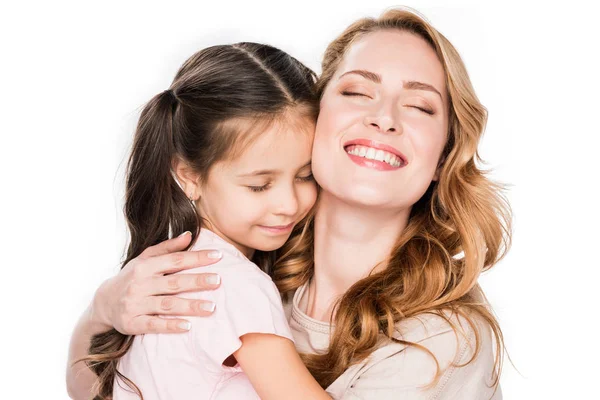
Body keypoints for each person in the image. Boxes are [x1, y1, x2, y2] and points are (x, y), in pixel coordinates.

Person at [68, 8, 511, 400]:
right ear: (317, 118)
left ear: (445, 156)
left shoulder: (440, 339)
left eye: (419, 106)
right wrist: (102, 311)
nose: (384, 118)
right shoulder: (252, 269)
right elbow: (96, 388)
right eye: (357, 92)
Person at [81, 42, 332, 399]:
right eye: (259, 186)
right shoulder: (232, 283)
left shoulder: (168, 275)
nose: (289, 204)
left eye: (305, 176)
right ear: (189, 176)